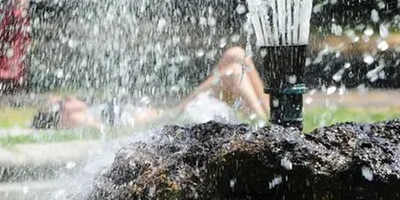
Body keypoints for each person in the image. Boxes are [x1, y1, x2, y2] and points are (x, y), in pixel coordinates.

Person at [31, 47, 269, 130]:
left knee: (236, 55)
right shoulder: (86, 121)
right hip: (173, 120)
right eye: (62, 102)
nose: (70, 97)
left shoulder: (94, 112)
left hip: (172, 113)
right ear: (63, 117)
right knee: (232, 73)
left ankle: (271, 120)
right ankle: (267, 127)